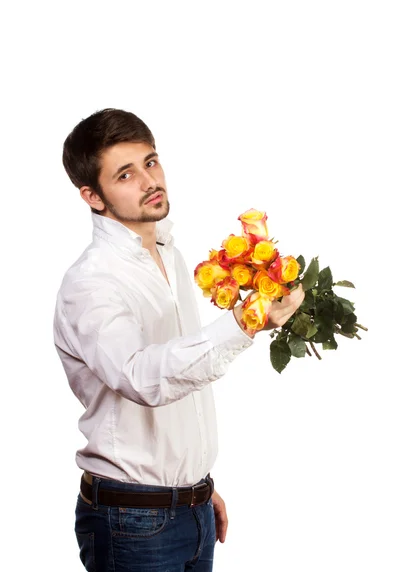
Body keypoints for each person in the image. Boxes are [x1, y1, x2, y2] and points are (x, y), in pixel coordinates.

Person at [53, 108, 305, 571]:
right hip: (132, 519)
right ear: (93, 196)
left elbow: (181, 377)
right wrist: (245, 323)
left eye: (151, 162)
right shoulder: (92, 283)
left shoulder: (170, 254)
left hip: (190, 509)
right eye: (125, 174)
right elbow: (143, 378)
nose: (149, 181)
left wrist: (195, 489)